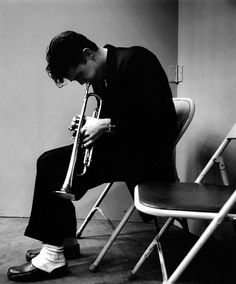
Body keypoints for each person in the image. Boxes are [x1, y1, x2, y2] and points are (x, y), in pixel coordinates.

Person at [7, 31, 178, 281]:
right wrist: (89, 124)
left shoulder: (137, 61)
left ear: (88, 54)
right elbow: (117, 117)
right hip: (123, 150)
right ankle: (64, 242)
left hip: (146, 157)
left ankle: (53, 256)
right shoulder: (102, 76)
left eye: (78, 76)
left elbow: (162, 122)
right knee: (48, 161)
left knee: (53, 167)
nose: (80, 83)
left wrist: (107, 125)